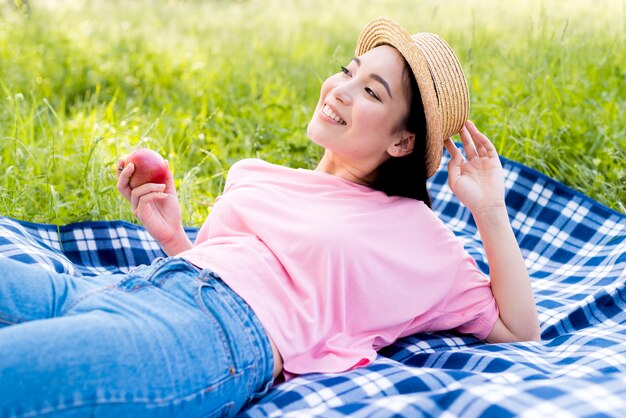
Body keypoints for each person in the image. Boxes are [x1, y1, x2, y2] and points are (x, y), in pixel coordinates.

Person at [0, 17, 540, 417]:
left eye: (371, 92)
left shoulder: (415, 234)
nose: (340, 91)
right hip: (131, 288)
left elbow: (519, 329)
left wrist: (491, 210)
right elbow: (228, 268)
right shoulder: (254, 173)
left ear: (402, 140)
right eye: (348, 73)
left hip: (210, 337)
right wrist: (172, 239)